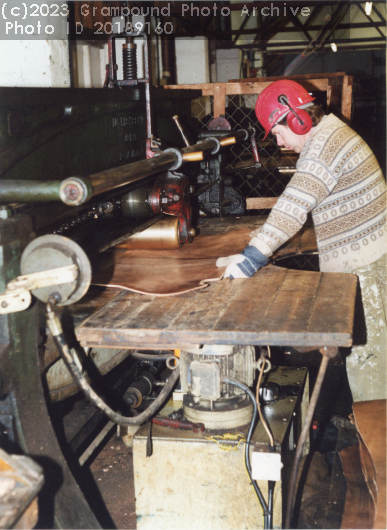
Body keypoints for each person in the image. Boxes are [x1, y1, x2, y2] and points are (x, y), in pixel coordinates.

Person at [216, 79, 386, 402]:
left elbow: (294, 206)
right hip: (370, 260)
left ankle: (378, 447)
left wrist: (252, 257)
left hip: (368, 271)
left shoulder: (325, 145)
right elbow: (303, 203)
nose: (279, 142)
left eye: (278, 132)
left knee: (371, 369)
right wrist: (260, 240)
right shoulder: (329, 134)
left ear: (298, 118)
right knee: (369, 364)